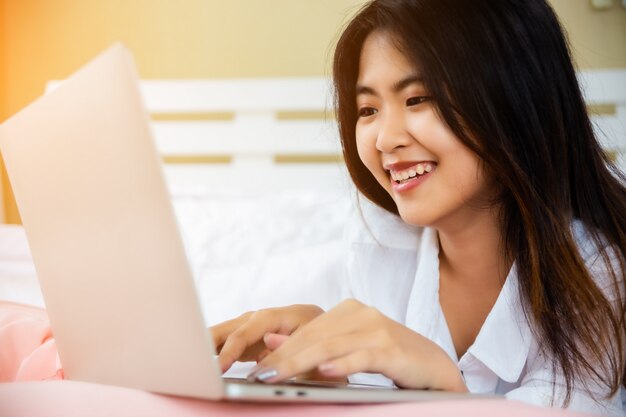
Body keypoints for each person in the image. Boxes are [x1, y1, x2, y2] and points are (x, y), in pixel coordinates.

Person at [210, 0, 626, 414]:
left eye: (417, 98)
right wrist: (337, 380)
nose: (385, 140)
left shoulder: (601, 274)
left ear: (513, 97)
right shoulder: (379, 244)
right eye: (368, 109)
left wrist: (444, 385)